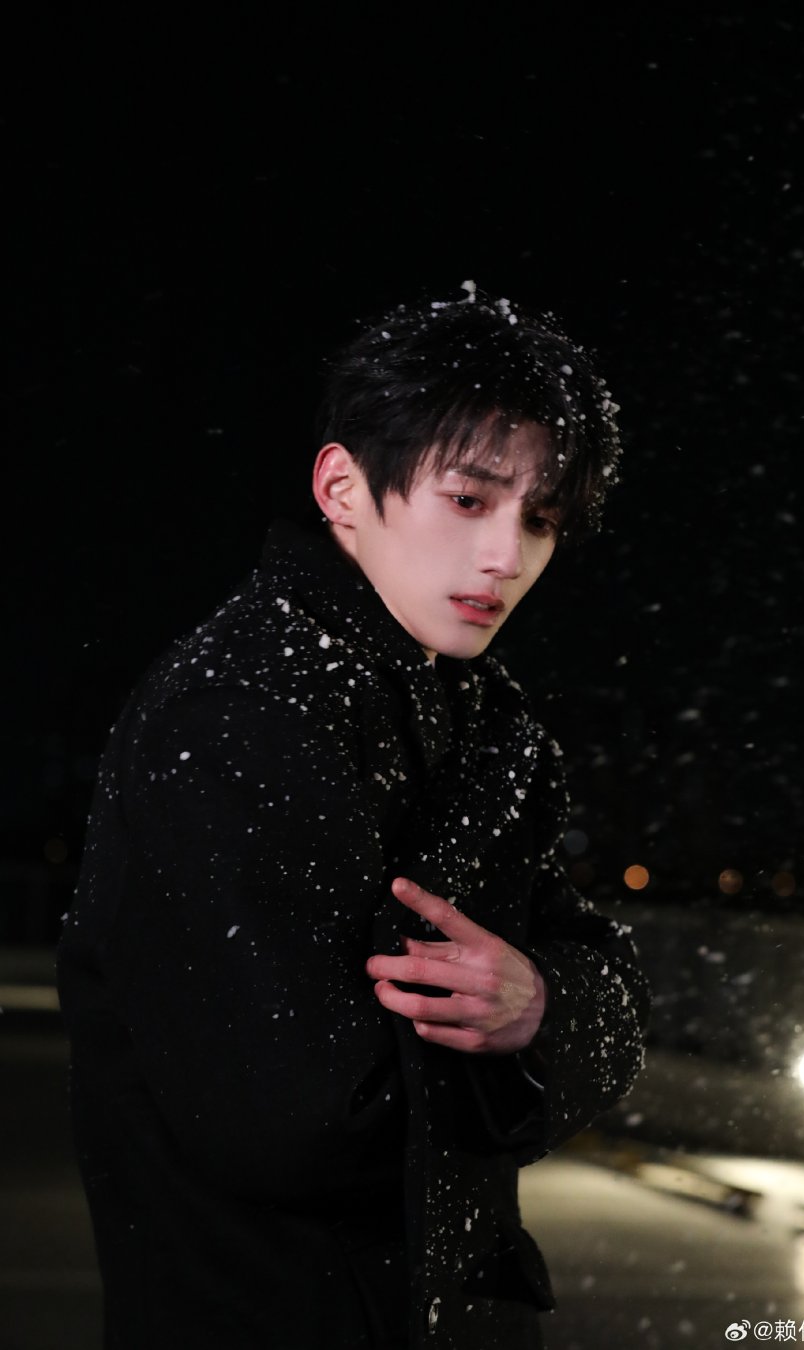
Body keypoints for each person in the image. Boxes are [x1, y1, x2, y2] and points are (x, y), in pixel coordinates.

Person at [57, 287, 650, 1349]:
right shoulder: (238, 710)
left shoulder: (491, 722)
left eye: (541, 520)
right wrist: (526, 1057)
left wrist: (539, 1008)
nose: (506, 557)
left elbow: (609, 982)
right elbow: (295, 1121)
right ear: (343, 487)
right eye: (468, 500)